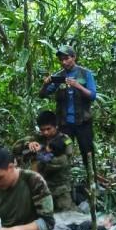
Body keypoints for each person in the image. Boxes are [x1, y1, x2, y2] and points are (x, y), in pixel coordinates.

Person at [39, 45, 97, 178]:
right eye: (61, 60)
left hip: (83, 123)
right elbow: (42, 94)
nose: (64, 62)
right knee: (61, 152)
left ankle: (92, 182)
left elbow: (92, 95)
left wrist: (78, 86)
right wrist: (46, 84)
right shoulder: (59, 76)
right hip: (65, 124)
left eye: (66, 58)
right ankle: (64, 181)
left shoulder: (85, 74)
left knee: (87, 152)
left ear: (73, 57)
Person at [12, 111, 77, 212]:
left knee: (67, 215)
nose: (45, 132)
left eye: (48, 129)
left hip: (59, 188)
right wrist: (28, 144)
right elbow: (16, 147)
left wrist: (41, 155)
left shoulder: (65, 140)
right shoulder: (38, 138)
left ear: (56, 126)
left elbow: (63, 162)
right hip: (39, 187)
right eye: (42, 130)